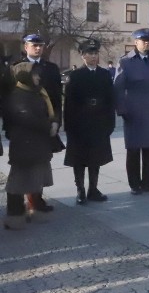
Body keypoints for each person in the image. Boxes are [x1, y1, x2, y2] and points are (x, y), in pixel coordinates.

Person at [114, 28, 149, 195]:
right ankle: (135, 185)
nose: (146, 43)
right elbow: (118, 88)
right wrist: (123, 110)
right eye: (142, 40)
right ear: (135, 42)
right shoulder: (126, 62)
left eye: (148, 41)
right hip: (133, 112)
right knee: (133, 150)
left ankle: (147, 183)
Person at [13, 33, 63, 214]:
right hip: (24, 125)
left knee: (42, 162)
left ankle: (37, 198)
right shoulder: (16, 68)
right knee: (24, 164)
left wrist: (56, 121)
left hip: (46, 123)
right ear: (25, 46)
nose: (37, 48)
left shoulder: (50, 68)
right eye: (33, 45)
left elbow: (57, 97)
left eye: (40, 45)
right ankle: (23, 202)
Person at [3, 62, 56, 229]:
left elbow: (47, 111)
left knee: (34, 178)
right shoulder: (17, 95)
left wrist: (54, 121)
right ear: (25, 76)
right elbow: (26, 118)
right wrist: (50, 126)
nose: (38, 77)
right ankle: (15, 215)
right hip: (24, 146)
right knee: (18, 181)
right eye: (34, 74)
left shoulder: (35, 92)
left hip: (36, 145)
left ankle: (34, 209)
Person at [63, 39, 115, 205]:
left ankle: (94, 189)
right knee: (79, 159)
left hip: (98, 123)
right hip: (80, 124)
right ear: (83, 56)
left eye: (95, 53)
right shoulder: (75, 76)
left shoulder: (105, 74)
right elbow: (69, 104)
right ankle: (80, 190)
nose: (93, 56)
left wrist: (110, 123)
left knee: (96, 158)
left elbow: (110, 100)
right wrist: (69, 126)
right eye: (89, 53)